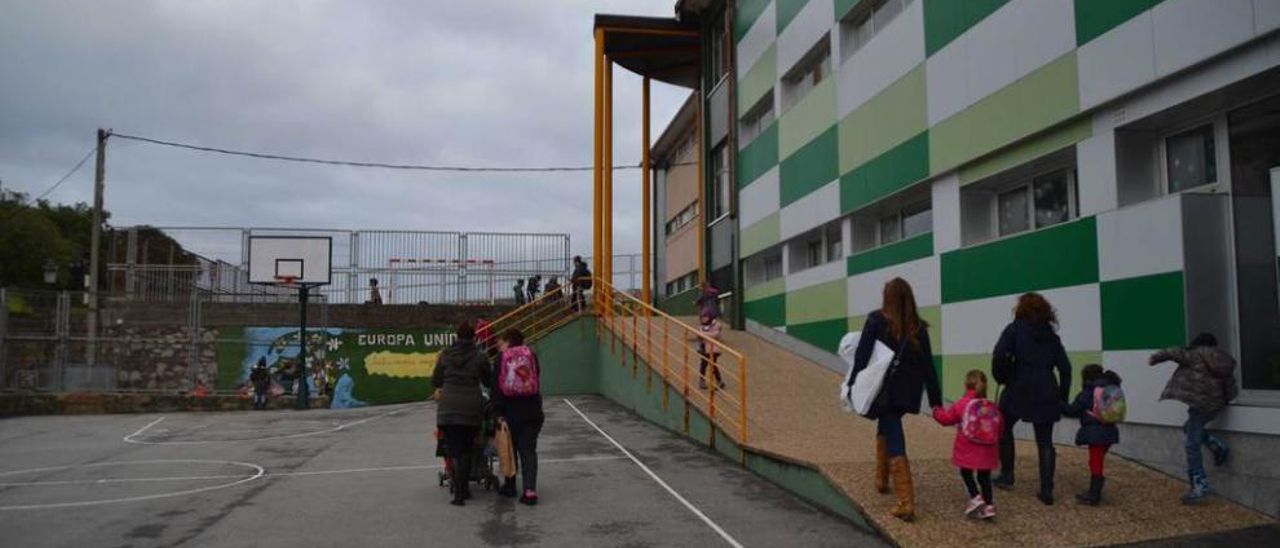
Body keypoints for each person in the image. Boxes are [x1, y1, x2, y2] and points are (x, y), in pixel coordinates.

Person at [848, 278, 942, 521]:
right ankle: (881, 478)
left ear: (886, 296)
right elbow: (928, 366)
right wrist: (935, 401)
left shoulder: (876, 320)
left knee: (892, 428)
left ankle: (906, 501)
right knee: (887, 423)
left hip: (885, 388)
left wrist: (852, 384)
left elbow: (862, 355)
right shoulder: (918, 328)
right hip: (908, 390)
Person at [991, 292, 1072, 505]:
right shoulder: (1051, 336)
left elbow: (999, 355)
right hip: (1047, 387)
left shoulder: (1014, 329)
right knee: (1045, 441)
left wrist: (1002, 377)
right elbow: (1066, 368)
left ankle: (1007, 475)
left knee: (1004, 427)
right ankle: (1047, 489)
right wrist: (1062, 397)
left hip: (1018, 385)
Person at [1149, 333, 1238, 505]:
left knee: (1192, 445)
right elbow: (1230, 385)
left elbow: (1173, 352)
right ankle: (1217, 447)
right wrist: (1224, 400)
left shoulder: (1194, 354)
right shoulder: (1223, 359)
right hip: (1215, 404)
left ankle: (1199, 484)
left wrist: (1155, 358)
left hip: (1199, 403)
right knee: (1189, 428)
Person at [431, 321, 492, 506]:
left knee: (455, 451)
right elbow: (488, 381)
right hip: (471, 407)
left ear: (456, 337)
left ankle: (459, 492)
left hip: (448, 407)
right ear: (474, 337)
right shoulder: (480, 357)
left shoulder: (444, 355)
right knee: (467, 449)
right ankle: (463, 490)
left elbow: (436, 380)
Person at [932, 370, 1000, 519]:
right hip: (987, 449)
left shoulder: (962, 404)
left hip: (967, 447)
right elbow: (999, 428)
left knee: (966, 472)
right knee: (984, 476)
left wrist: (936, 410)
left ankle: (975, 497)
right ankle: (989, 506)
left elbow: (946, 419)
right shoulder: (991, 406)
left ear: (966, 384)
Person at [491, 328, 545, 505]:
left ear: (507, 341)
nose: (499, 345)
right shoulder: (531, 355)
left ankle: (510, 486)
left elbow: (496, 387)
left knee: (509, 449)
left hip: (510, 410)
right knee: (528, 451)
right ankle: (530, 491)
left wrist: (498, 412)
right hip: (532, 410)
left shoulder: (502, 358)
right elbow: (536, 377)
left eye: (501, 341)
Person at [1062, 364, 1122, 506]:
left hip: (1095, 433)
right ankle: (1095, 491)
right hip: (1110, 431)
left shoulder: (1089, 391)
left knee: (1095, 462)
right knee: (1097, 461)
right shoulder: (1110, 387)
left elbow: (1072, 410)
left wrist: (1058, 403)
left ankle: (1094, 495)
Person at [689, 312, 724, 390]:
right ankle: (702, 380)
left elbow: (715, 335)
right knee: (703, 365)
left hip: (713, 349)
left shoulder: (716, 325)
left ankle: (719, 381)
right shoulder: (701, 326)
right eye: (702, 318)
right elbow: (699, 336)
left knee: (713, 365)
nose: (704, 319)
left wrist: (703, 334)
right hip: (704, 349)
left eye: (706, 317)